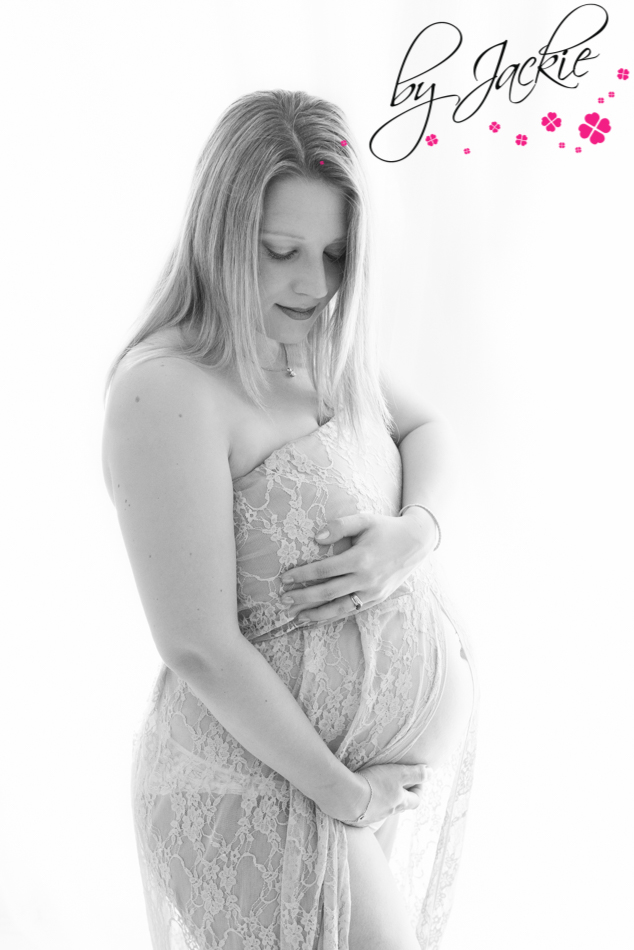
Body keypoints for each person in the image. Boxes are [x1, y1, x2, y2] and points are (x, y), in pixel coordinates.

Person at [101, 89, 479, 950]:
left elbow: (431, 430)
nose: (315, 284)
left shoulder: (313, 348)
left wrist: (413, 535)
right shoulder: (167, 389)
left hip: (340, 784)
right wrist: (347, 795)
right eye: (281, 253)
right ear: (220, 235)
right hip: (253, 784)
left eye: (338, 254)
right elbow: (195, 642)